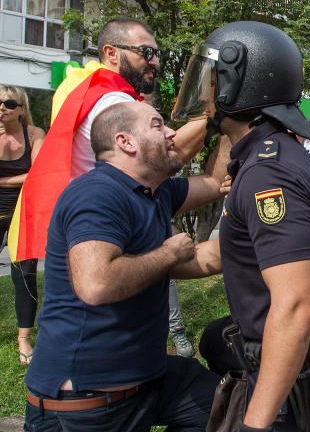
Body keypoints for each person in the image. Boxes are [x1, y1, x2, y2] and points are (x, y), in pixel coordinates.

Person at [172, 20, 310, 432]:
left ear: (238, 84)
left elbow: (296, 304)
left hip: (300, 367)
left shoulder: (267, 174)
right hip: (303, 361)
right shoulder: (263, 158)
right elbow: (221, 256)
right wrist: (152, 263)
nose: (205, 92)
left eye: (212, 78)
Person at [22, 100, 228, 432]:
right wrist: (170, 253)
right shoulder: (98, 194)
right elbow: (96, 284)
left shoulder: (154, 192)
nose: (171, 133)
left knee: (214, 402)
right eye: (158, 124)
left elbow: (215, 180)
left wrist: (221, 122)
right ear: (124, 141)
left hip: (142, 380)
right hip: (84, 410)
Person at [9, 17, 209, 263]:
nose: (155, 62)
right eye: (146, 53)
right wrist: (217, 113)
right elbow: (167, 152)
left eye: (157, 54)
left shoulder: (89, 87)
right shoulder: (111, 101)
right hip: (113, 228)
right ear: (111, 53)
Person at [0, 85, 44, 364]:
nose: (2, 107)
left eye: (8, 103)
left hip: (23, 212)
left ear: (21, 110)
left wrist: (2, 182)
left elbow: (39, 174)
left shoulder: (34, 135)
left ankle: (24, 340)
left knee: (24, 276)